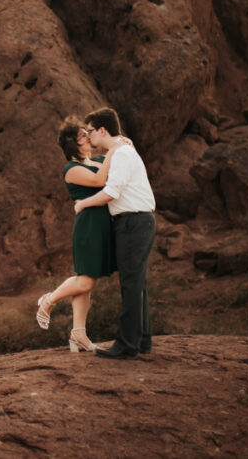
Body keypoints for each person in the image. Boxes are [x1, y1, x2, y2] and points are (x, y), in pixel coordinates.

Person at [74, 107, 156, 359]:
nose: (88, 137)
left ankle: (126, 346)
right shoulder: (122, 151)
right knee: (137, 283)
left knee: (131, 284)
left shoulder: (121, 154)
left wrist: (83, 204)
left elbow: (112, 192)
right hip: (138, 220)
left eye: (90, 131)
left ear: (102, 130)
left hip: (133, 222)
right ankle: (141, 340)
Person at [35, 116, 121, 353]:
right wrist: (115, 149)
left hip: (103, 224)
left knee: (86, 282)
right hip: (89, 225)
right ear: (74, 143)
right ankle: (48, 300)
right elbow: (99, 179)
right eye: (83, 135)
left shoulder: (99, 160)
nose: (88, 137)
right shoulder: (71, 170)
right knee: (85, 280)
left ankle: (78, 334)